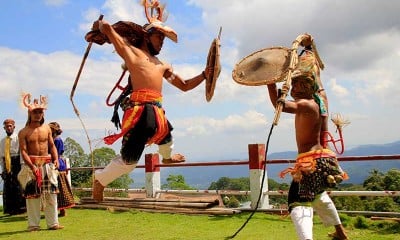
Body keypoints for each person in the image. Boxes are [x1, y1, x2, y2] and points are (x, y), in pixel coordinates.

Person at [88, 1, 212, 202]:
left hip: (157, 110)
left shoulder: (162, 65)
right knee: (129, 162)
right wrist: (100, 26)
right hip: (140, 112)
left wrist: (205, 75)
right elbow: (109, 29)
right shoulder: (132, 53)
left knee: (166, 134)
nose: (162, 42)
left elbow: (185, 85)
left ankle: (167, 157)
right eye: (159, 37)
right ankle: (100, 180)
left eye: (164, 39)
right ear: (147, 36)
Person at [267, 35, 348, 240]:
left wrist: (269, 82)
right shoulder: (321, 102)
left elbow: (279, 104)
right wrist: (309, 49)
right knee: (319, 197)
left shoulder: (305, 105)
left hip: (309, 163)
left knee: (297, 202)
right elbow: (320, 84)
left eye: (296, 85)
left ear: (303, 87)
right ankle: (340, 233)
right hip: (324, 161)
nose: (293, 89)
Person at [18, 94, 64, 231]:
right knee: (32, 196)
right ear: (29, 113)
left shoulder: (47, 129)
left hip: (47, 164)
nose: (38, 114)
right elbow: (24, 151)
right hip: (31, 165)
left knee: (51, 194)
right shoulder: (23, 132)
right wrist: (32, 166)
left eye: (40, 112)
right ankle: (33, 225)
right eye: (35, 112)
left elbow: (52, 146)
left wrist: (55, 159)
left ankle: (53, 223)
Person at [0, 119, 26, 215]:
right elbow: (1, 156)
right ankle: (9, 209)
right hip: (7, 163)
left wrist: (22, 166)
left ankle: (20, 208)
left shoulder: (18, 138)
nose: (9, 128)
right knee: (8, 186)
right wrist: (3, 169)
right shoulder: (2, 141)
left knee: (18, 186)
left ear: (14, 127)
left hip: (17, 161)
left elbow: (22, 153)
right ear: (4, 128)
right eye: (7, 126)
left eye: (10, 126)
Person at [49, 122, 75, 217]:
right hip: (51, 164)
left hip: (58, 165)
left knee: (60, 188)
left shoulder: (57, 140)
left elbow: (58, 153)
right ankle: (54, 209)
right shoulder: (51, 140)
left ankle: (62, 210)